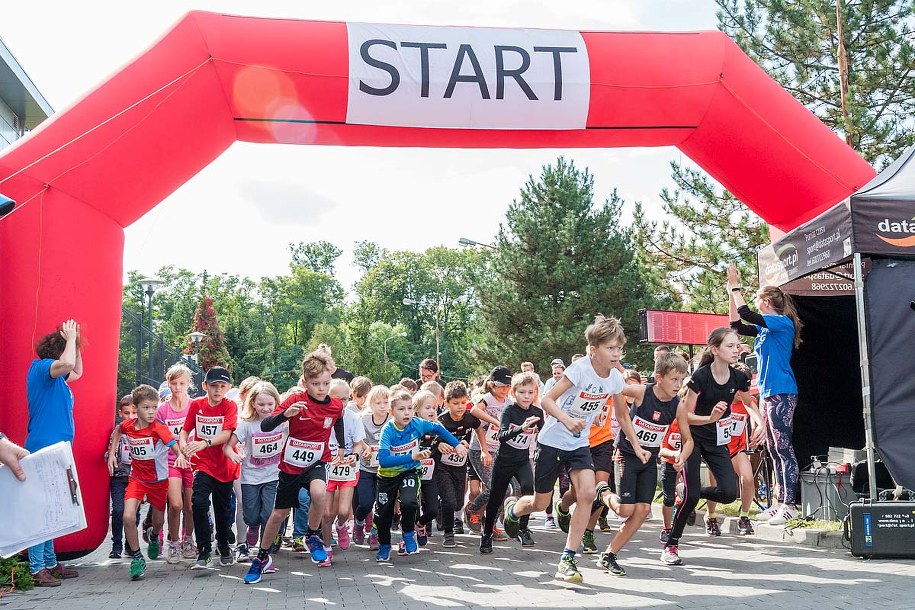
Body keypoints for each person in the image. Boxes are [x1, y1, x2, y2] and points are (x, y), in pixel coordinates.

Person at [503, 315, 626, 584]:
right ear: (594, 350)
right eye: (611, 348)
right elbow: (547, 399)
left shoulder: (616, 378)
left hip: (580, 444)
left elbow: (624, 415)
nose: (616, 353)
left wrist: (637, 446)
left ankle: (568, 557)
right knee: (540, 502)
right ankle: (513, 509)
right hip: (552, 442)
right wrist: (568, 420)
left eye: (619, 348)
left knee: (587, 493)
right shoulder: (580, 370)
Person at [244, 350, 347, 584]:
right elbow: (267, 425)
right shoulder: (295, 401)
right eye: (315, 384)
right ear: (305, 381)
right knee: (279, 514)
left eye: (325, 383)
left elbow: (338, 419)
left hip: (316, 461)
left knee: (319, 493)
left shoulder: (336, 405)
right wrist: (285, 416)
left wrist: (340, 445)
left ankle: (311, 535)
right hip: (291, 465)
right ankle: (261, 557)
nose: (321, 388)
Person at [592, 353, 691, 576]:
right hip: (626, 455)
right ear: (659, 377)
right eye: (674, 379)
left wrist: (682, 455)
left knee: (643, 510)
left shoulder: (678, 406)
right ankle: (603, 493)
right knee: (624, 510)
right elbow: (612, 388)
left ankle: (609, 555)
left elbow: (689, 439)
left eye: (681, 379)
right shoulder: (641, 392)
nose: (678, 385)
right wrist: (599, 409)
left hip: (648, 460)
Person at [662, 328, 750, 566]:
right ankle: (671, 544)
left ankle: (688, 492)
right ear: (715, 349)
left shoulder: (739, 377)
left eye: (737, 345)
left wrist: (760, 421)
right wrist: (710, 418)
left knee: (729, 493)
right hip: (693, 438)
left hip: (718, 439)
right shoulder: (700, 377)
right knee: (690, 500)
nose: (736, 349)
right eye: (730, 346)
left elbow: (749, 401)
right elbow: (685, 416)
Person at [728, 263, 803, 526]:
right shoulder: (765, 329)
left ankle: (789, 504)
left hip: (783, 391)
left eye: (759, 300)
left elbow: (746, 312)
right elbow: (736, 325)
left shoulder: (780, 323)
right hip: (770, 392)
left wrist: (736, 286)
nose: (756, 304)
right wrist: (730, 292)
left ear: (767, 302)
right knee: (772, 448)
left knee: (783, 447)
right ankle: (777, 503)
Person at [373, 390, 466, 562]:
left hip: (410, 471)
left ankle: (408, 534)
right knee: (382, 515)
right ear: (391, 412)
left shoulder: (417, 423)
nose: (407, 413)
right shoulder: (388, 431)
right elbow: (384, 461)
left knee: (409, 502)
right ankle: (385, 545)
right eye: (401, 409)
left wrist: (457, 444)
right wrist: (413, 456)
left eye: (409, 408)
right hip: (387, 476)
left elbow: (438, 428)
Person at [108, 384, 188, 580]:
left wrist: (179, 456)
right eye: (146, 407)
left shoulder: (159, 429)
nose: (151, 412)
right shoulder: (129, 426)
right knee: (128, 517)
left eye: (154, 406)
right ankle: (137, 558)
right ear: (136, 408)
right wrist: (112, 454)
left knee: (158, 521)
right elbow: (118, 430)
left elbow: (175, 446)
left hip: (159, 481)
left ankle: (154, 536)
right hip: (137, 479)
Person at [25, 319, 83, 587]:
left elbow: (77, 371)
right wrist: (70, 339)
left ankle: (49, 562)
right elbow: (69, 364)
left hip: (57, 450)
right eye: (68, 348)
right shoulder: (41, 369)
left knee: (51, 508)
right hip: (43, 450)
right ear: (58, 352)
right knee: (41, 511)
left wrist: (77, 340)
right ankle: (37, 568)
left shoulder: (57, 379)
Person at [179, 366, 240, 569]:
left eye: (223, 386)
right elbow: (184, 431)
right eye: (214, 386)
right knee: (199, 503)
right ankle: (203, 550)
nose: (218, 390)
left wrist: (204, 442)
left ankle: (223, 545)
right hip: (202, 463)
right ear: (205, 386)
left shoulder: (230, 406)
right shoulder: (197, 404)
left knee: (223, 509)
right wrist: (183, 447)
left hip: (224, 464)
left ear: (228, 387)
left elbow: (226, 434)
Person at [482, 372, 544, 553]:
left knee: (528, 489)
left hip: (522, 460)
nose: (526, 396)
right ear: (513, 393)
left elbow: (544, 436)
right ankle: (487, 534)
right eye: (522, 392)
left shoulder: (537, 413)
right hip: (504, 461)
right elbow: (501, 436)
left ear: (535, 393)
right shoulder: (509, 411)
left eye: (530, 392)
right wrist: (522, 428)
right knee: (496, 497)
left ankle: (523, 529)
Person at [225, 381, 285, 563]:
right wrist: (232, 455)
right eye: (261, 404)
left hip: (273, 475)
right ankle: (252, 527)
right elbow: (229, 446)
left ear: (276, 402)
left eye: (269, 404)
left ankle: (263, 549)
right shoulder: (247, 424)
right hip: (250, 476)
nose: (266, 408)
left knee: (269, 513)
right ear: (252, 404)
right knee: (250, 515)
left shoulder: (283, 422)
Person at [704, 361, 765, 536]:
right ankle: (711, 516)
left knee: (747, 478)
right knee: (715, 484)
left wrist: (757, 427)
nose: (741, 393)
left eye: (745, 388)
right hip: (716, 448)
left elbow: (753, 412)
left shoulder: (748, 399)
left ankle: (744, 517)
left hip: (736, 449)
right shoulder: (718, 398)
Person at [156, 363, 198, 563]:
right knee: (175, 504)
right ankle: (173, 543)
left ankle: (188, 540)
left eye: (182, 383)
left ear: (189, 384)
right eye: (174, 383)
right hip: (171, 460)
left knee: (191, 505)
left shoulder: (195, 406)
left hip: (193, 461)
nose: (178, 387)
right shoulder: (162, 410)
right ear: (168, 384)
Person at [464, 366, 513, 538]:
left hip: (498, 451)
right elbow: (474, 410)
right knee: (494, 487)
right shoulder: (487, 399)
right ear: (492, 385)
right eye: (501, 386)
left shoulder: (509, 403)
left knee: (505, 490)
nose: (505, 389)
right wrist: (495, 421)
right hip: (479, 450)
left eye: (508, 386)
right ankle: (472, 508)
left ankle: (490, 524)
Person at [435, 381, 480, 548]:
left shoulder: (469, 418)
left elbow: (479, 428)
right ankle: (448, 534)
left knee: (459, 502)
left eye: (463, 403)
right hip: (442, 467)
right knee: (449, 501)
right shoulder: (440, 421)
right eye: (455, 403)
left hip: (460, 466)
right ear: (446, 403)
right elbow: (431, 440)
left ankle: (442, 509)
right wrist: (439, 445)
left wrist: (482, 447)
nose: (460, 407)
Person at [326, 378, 367, 553]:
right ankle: (326, 547)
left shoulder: (353, 418)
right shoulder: (323, 416)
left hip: (348, 470)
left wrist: (355, 455)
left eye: (345, 399)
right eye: (337, 399)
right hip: (327, 468)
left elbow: (358, 443)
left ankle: (341, 525)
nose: (341, 403)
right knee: (327, 513)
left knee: (343, 511)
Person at [107, 395, 137, 559]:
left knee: (134, 513)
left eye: (134, 413)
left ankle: (130, 545)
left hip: (136, 479)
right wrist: (111, 456)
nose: (130, 417)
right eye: (127, 413)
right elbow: (108, 452)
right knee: (118, 510)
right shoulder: (116, 432)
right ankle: (116, 545)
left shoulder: (141, 430)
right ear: (120, 413)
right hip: (118, 478)